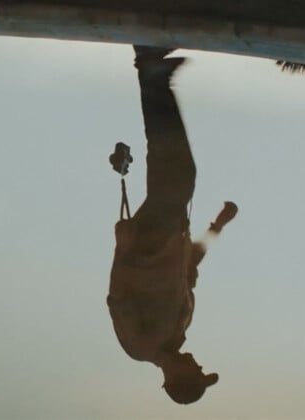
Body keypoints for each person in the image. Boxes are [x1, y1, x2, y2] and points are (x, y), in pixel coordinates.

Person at [107, 45, 237, 405]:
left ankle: (151, 73)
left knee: (175, 168)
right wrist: (217, 226)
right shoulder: (178, 332)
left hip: (147, 241)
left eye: (197, 372)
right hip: (170, 233)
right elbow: (187, 268)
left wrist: (123, 246)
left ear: (177, 379)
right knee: (178, 169)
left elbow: (117, 298)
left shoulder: (140, 346)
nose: (198, 364)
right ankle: (153, 75)